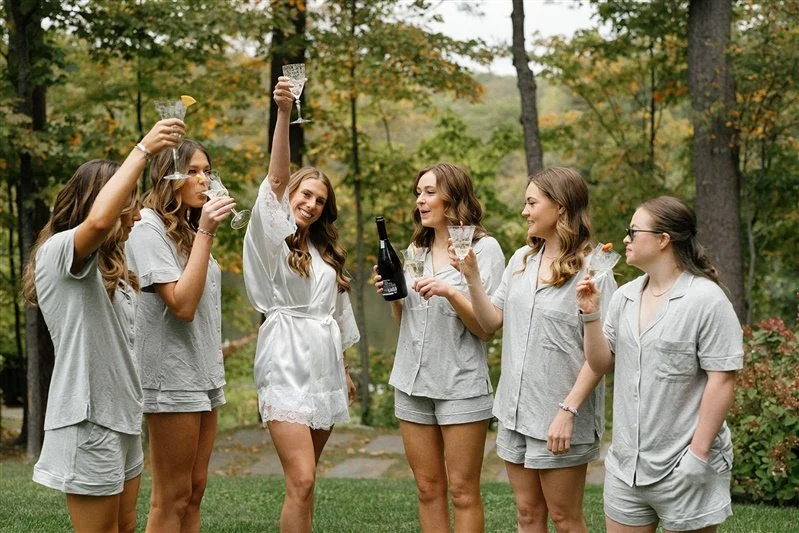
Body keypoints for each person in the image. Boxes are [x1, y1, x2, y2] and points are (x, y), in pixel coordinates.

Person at [23, 119, 183, 532]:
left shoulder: (117, 270)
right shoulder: (60, 252)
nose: (138, 212)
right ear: (101, 202)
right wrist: (143, 150)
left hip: (123, 416)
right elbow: (97, 225)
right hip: (88, 418)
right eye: (129, 201)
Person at [458, 167, 615, 533]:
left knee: (565, 518)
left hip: (560, 416)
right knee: (527, 516)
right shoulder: (521, 260)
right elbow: (491, 321)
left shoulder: (594, 271)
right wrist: (471, 278)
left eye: (532, 202)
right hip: (515, 412)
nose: (524, 211)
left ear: (559, 208)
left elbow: (600, 355)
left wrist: (568, 409)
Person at [576, 196, 742, 533]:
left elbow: (721, 380)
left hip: (685, 465)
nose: (625, 239)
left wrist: (698, 456)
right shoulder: (624, 297)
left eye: (633, 231)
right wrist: (590, 314)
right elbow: (600, 363)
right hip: (627, 469)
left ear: (663, 239)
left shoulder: (707, 299)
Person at [242, 77, 358, 533]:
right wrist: (285, 114)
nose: (310, 204)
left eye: (319, 200)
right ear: (289, 197)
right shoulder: (272, 238)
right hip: (285, 361)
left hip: (325, 366)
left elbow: (338, 313)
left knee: (306, 486)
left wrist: (345, 371)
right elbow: (273, 179)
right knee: (302, 477)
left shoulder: (324, 252)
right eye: (304, 195)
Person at [374, 163, 505, 532]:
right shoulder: (417, 248)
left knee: (463, 491)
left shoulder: (484, 248)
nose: (420, 200)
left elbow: (486, 328)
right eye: (418, 192)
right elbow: (408, 324)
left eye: (429, 192)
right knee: (428, 488)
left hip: (459, 385)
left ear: (454, 197)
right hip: (412, 382)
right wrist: (394, 295)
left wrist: (451, 290)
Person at [125, 138, 235, 532]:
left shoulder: (187, 229)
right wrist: (206, 230)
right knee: (171, 496)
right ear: (167, 176)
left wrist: (201, 231)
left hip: (202, 372)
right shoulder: (147, 228)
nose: (204, 179)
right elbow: (182, 306)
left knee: (194, 490)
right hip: (171, 376)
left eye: (206, 170)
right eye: (192, 171)